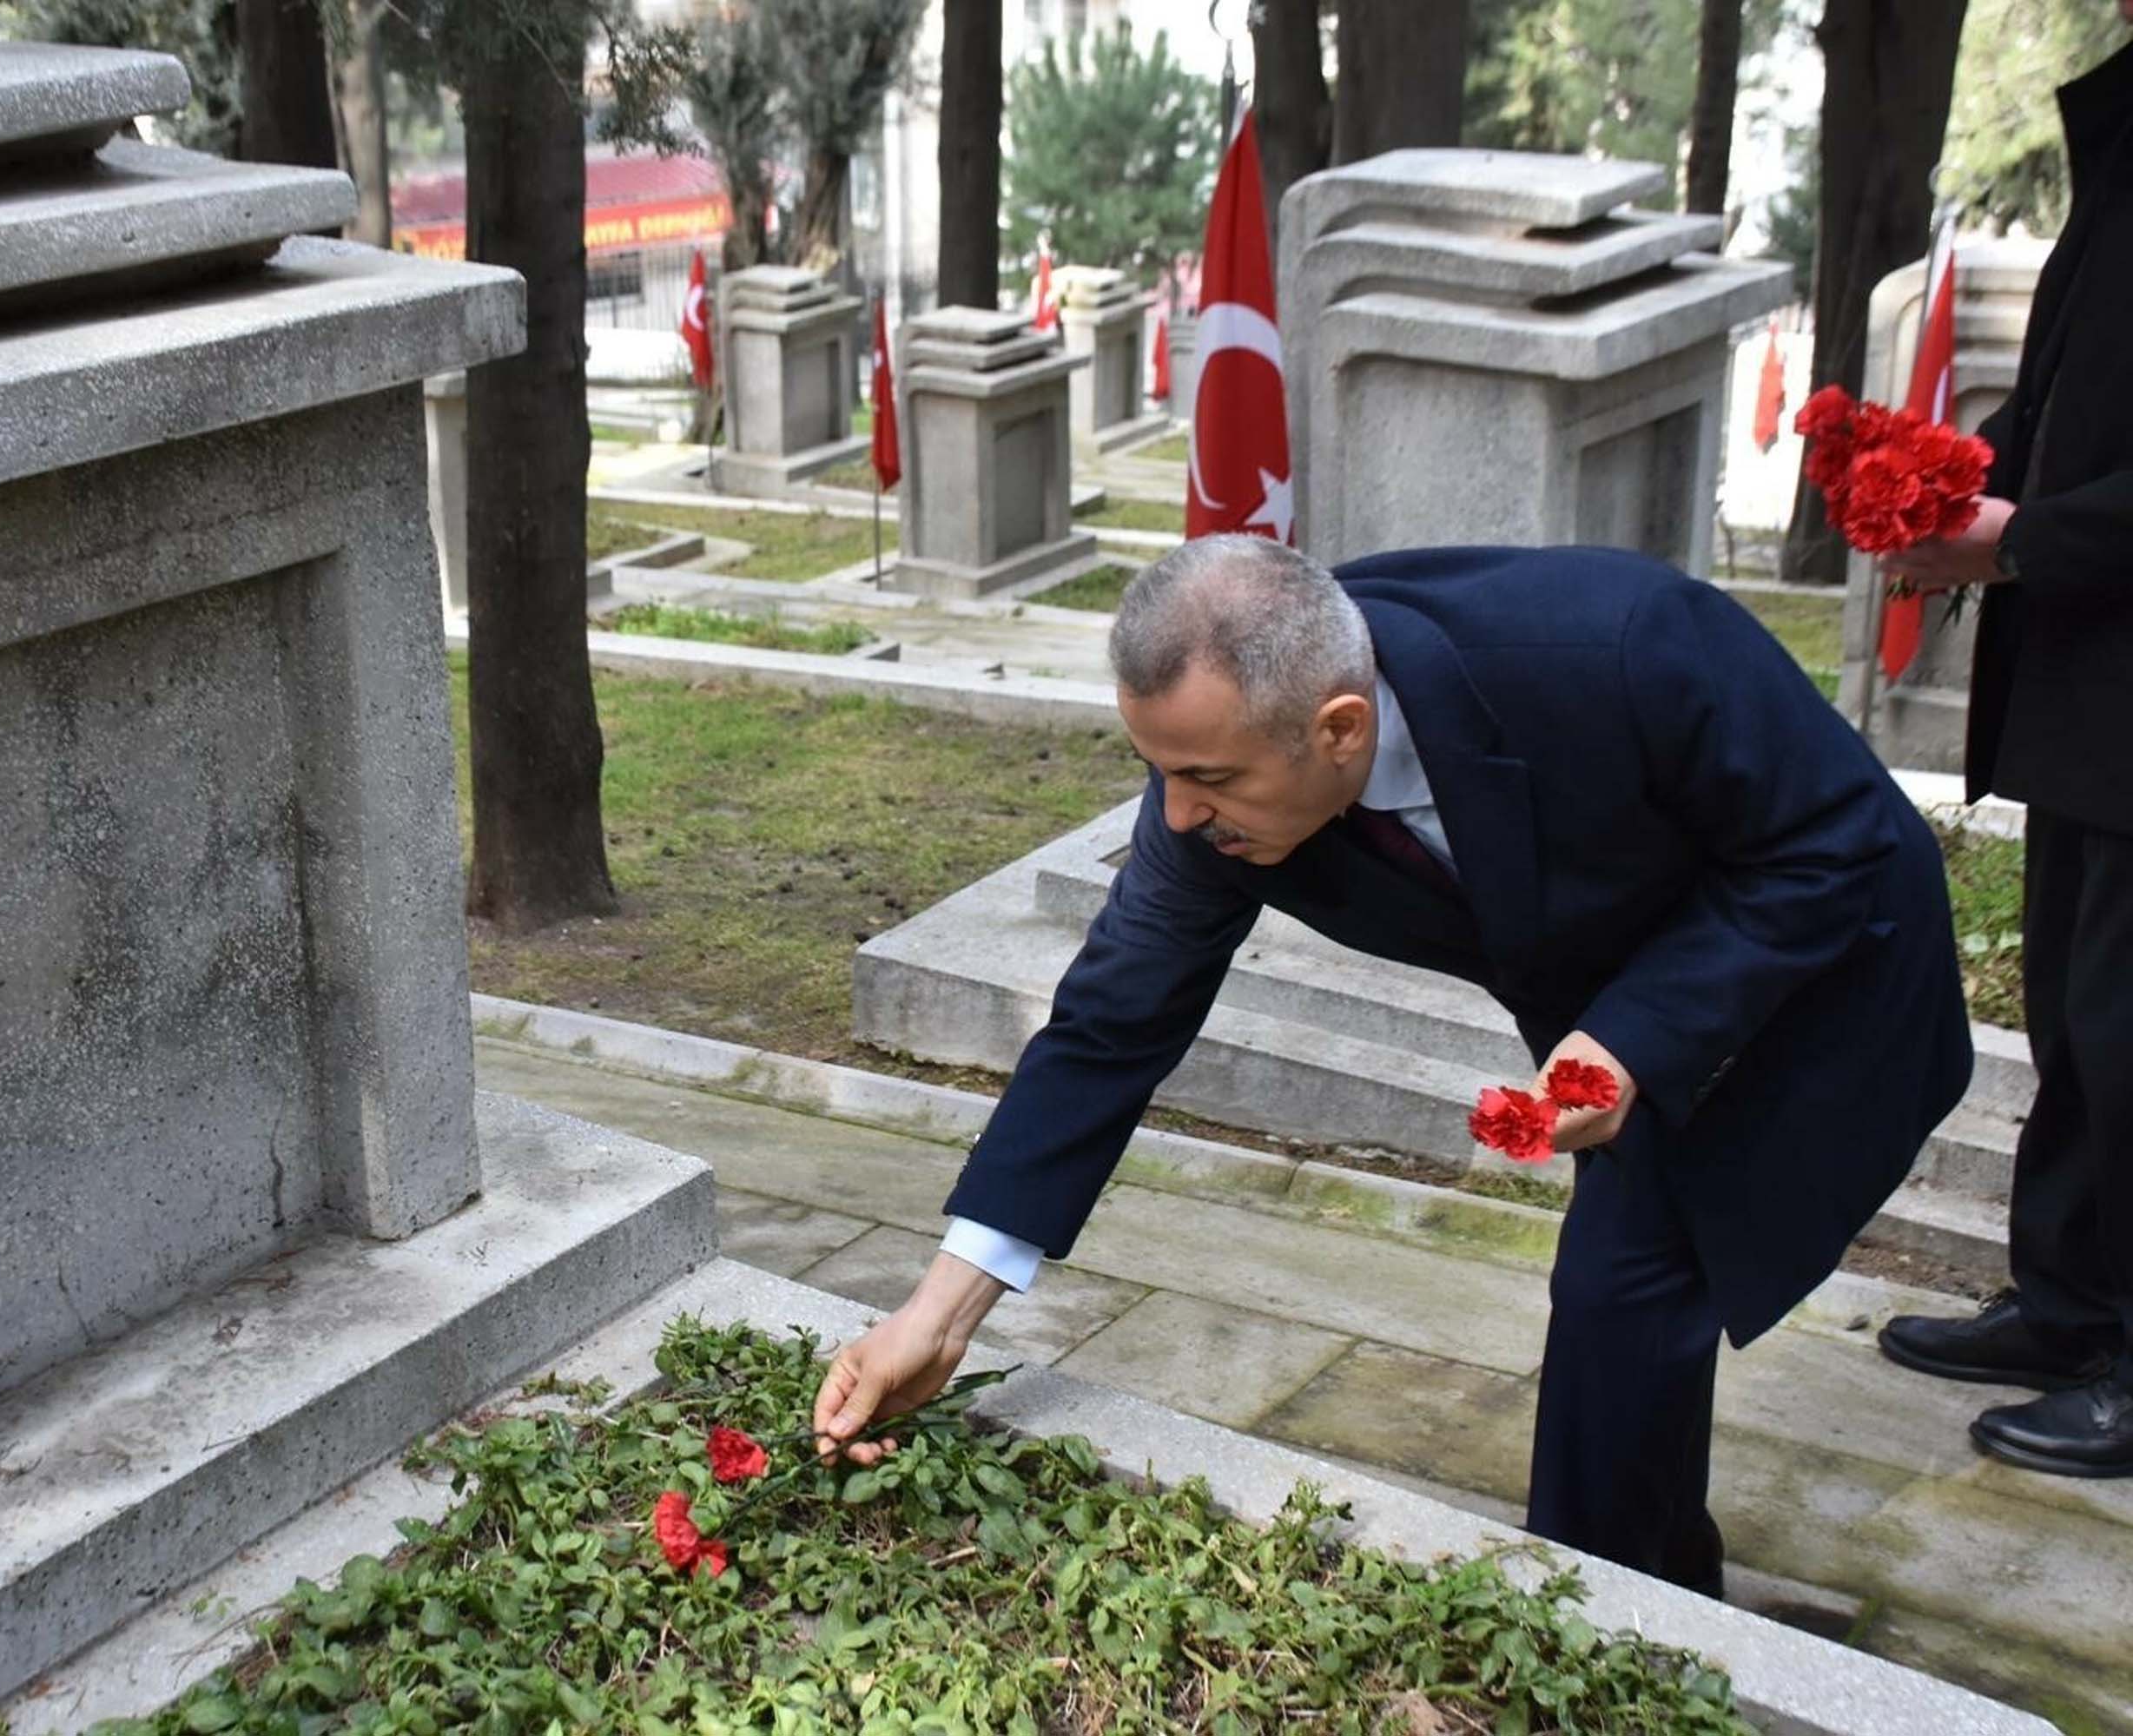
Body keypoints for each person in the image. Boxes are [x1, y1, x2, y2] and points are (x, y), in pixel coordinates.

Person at [810, 535, 1975, 1594]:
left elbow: (1833, 843)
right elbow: (1112, 1021)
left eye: (1207, 781)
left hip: (1830, 959)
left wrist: (1636, 1036)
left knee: (1630, 1292)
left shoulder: (1618, 645)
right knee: (1628, 1309)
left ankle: (1603, 1629)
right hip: (1626, 1002)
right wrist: (943, 1311)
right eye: (1157, 769)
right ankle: (1649, 1597)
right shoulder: (1224, 778)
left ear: (1340, 732)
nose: (1172, 818)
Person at [1873, 24, 2133, 1478]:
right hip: (2095, 688)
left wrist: (2020, 539)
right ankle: (2069, 1299)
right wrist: (1964, 505)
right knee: (2082, 1024)